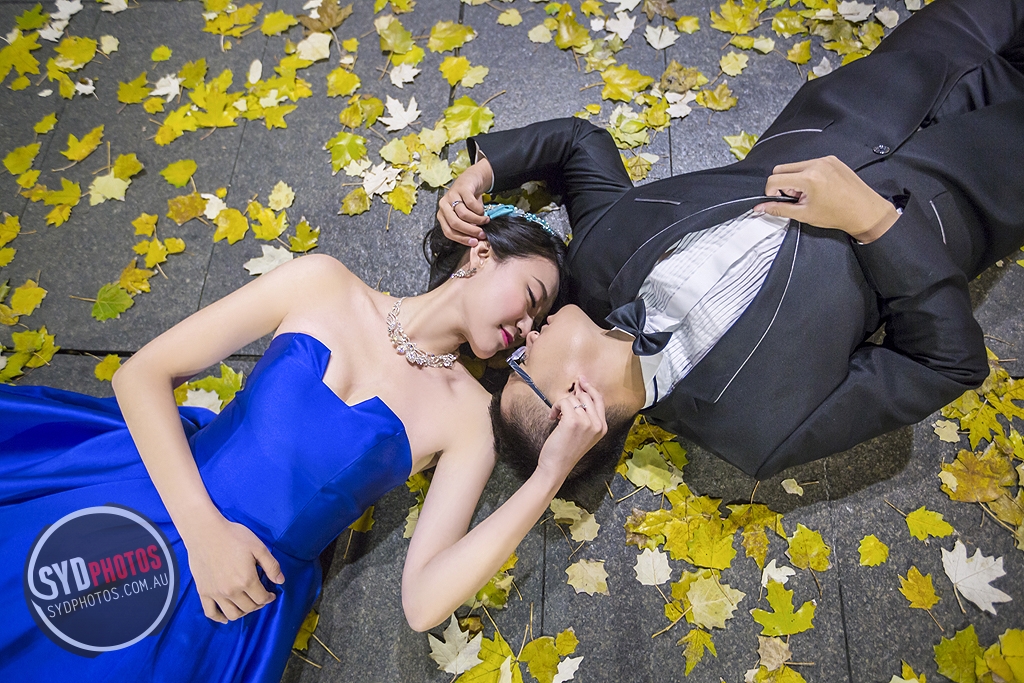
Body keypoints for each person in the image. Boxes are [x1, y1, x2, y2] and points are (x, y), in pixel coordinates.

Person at [0, 208, 609, 681]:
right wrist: (205, 534)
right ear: (482, 252)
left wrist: (548, 476)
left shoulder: (468, 418)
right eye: (530, 298)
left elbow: (424, 603)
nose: (524, 327)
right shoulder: (323, 283)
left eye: (537, 323)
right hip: (155, 492)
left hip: (232, 603)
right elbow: (141, 376)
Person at [439, 0, 1024, 480]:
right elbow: (945, 365)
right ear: (575, 402)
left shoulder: (594, 265)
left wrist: (484, 172)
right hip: (988, 178)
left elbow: (578, 147)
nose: (527, 339)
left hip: (901, 75)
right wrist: (875, 224)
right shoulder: (760, 429)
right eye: (522, 367)